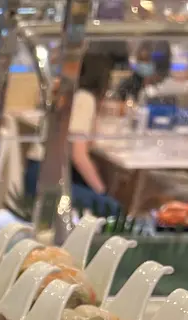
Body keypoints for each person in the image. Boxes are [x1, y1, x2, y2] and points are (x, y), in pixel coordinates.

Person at [24, 50, 122, 216]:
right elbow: (78, 155)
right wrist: (102, 191)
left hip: (36, 173)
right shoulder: (84, 99)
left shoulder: (68, 94)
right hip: (49, 177)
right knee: (112, 209)